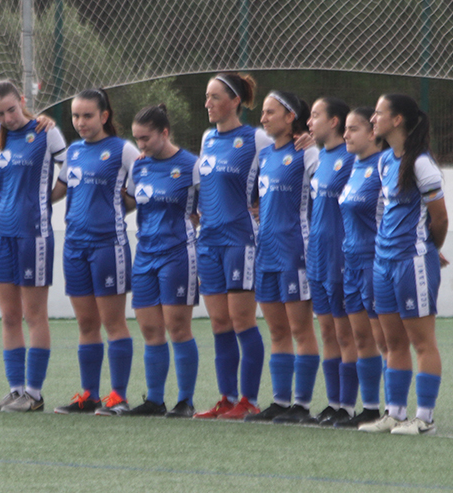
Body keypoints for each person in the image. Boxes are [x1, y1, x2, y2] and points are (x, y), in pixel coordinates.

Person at [359, 94, 448, 435]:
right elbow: (384, 213)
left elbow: (440, 219)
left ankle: (424, 418)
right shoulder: (384, 162)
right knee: (392, 342)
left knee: (422, 342)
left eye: (378, 113)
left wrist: (428, 249)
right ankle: (394, 413)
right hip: (383, 263)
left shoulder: (422, 164)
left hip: (412, 263)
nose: (373, 119)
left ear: (397, 120)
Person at [52, 88, 139, 415]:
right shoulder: (73, 151)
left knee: (113, 322)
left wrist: (112, 212)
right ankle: (89, 395)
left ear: (104, 116)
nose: (80, 122)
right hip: (74, 246)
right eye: (75, 116)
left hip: (108, 246)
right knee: (86, 324)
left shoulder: (123, 150)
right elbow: (58, 192)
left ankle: (118, 397)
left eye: (87, 116)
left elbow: (137, 192)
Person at [0, 80, 67, 413]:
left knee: (34, 315)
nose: (7, 118)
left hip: (33, 235)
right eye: (0, 114)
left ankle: (34, 393)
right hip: (1, 235)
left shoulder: (47, 132)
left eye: (11, 109)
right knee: (8, 316)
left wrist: (46, 201)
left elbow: (69, 169)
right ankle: (16, 389)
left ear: (22, 101)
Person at [193, 72, 272, 420]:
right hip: (207, 242)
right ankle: (226, 398)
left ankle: (249, 400)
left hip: (240, 240)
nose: (207, 103)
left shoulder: (255, 138)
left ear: (235, 101)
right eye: (206, 97)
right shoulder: (207, 138)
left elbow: (283, 170)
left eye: (214, 97)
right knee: (219, 324)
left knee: (243, 322)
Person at [246, 90, 322, 425]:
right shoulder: (264, 156)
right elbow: (255, 202)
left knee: (300, 329)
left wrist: (315, 143)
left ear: (290, 117)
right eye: (263, 112)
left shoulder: (305, 152)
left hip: (295, 253)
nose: (263, 118)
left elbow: (324, 191)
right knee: (276, 331)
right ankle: (280, 401)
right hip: (267, 254)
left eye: (270, 112)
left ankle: (301, 405)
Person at [124, 104, 201, 418]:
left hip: (177, 254)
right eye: (137, 139)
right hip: (144, 256)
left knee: (178, 328)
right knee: (150, 330)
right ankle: (155, 399)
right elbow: (130, 201)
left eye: (146, 138)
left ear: (164, 133)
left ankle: (185, 401)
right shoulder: (139, 167)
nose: (141, 146)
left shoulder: (190, 165)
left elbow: (202, 212)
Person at [336, 106, 389, 428]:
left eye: (353, 129)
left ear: (372, 132)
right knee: (360, 338)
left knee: (384, 340)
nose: (346, 135)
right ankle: (369, 408)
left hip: (374, 262)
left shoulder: (384, 166)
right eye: (344, 128)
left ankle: (393, 408)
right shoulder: (353, 166)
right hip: (350, 263)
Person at [305, 97, 356, 425]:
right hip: (317, 257)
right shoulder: (320, 157)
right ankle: (334, 403)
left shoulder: (350, 159)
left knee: (344, 333)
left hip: (340, 256)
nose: (309, 122)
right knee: (326, 332)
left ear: (334, 121)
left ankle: (349, 407)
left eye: (315, 116)